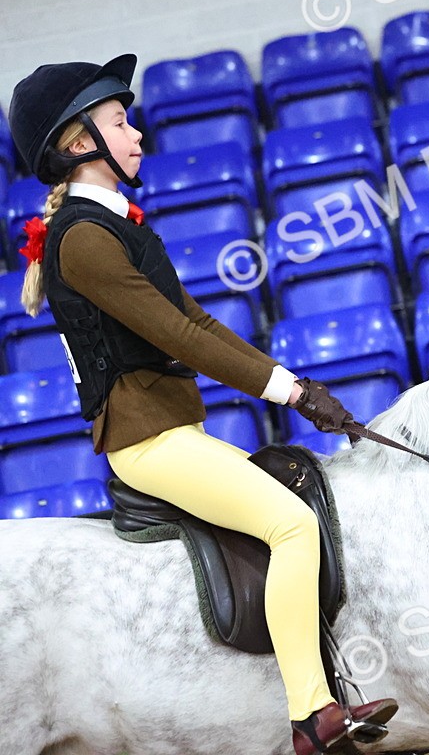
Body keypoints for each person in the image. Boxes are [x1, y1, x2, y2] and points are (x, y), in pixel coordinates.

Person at [7, 54, 398, 755]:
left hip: (173, 430)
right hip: (147, 442)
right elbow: (178, 334)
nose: (136, 136)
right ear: (77, 143)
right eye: (120, 123)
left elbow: (201, 321)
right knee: (289, 527)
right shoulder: (86, 241)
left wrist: (297, 384)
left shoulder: (119, 227)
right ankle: (311, 714)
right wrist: (290, 392)